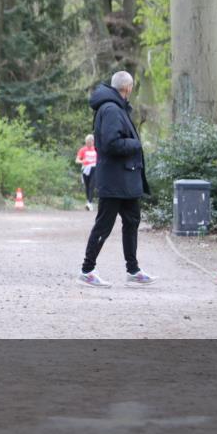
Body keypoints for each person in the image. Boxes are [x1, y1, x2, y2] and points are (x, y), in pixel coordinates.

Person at [78, 71, 156, 288]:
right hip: (114, 180)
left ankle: (133, 270)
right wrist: (136, 143)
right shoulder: (112, 109)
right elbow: (111, 144)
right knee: (103, 225)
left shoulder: (115, 107)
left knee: (132, 221)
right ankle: (87, 270)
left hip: (125, 179)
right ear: (128, 88)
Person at [75, 134, 98, 210]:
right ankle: (88, 201)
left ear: (93, 142)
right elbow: (77, 160)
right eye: (86, 142)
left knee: (92, 185)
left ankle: (90, 203)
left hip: (94, 168)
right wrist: (82, 161)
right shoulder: (83, 149)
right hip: (85, 169)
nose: (88, 144)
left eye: (89, 142)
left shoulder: (96, 149)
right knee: (87, 185)